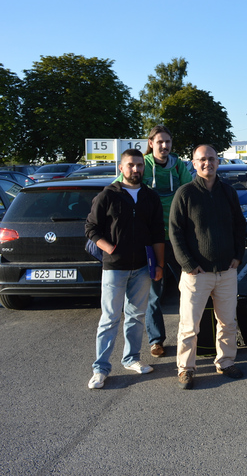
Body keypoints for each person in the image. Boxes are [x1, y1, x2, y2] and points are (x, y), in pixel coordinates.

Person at [85, 149, 165, 389]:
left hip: (142, 268)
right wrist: (109, 248)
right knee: (109, 318)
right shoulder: (108, 195)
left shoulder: (150, 197)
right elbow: (91, 228)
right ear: (121, 168)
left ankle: (131, 359)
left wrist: (159, 265)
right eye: (131, 165)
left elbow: (157, 234)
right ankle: (100, 369)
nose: (136, 170)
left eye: (140, 165)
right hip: (114, 269)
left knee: (136, 316)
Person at [170, 144, 247, 389]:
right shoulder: (185, 194)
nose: (207, 163)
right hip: (197, 273)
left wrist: (238, 256)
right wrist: (189, 264)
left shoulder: (228, 192)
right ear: (193, 163)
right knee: (189, 326)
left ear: (218, 161)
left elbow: (239, 226)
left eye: (212, 159)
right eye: (202, 159)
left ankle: (225, 362)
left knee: (227, 322)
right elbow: (175, 232)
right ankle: (186, 368)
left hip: (226, 271)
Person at [115, 125, 192, 358]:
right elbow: (118, 190)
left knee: (190, 290)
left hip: (178, 237)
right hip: (151, 239)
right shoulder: (140, 166)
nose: (164, 146)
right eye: (160, 142)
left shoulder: (178, 166)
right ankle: (156, 340)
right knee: (154, 293)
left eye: (168, 142)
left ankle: (191, 337)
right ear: (151, 143)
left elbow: (191, 193)